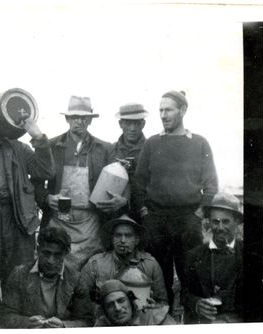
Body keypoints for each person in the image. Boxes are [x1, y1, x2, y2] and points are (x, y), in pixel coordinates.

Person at [0, 103, 55, 328]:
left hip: (19, 223)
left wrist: (38, 136)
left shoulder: (17, 149)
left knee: (22, 284)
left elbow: (46, 171)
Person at [134, 90, 218, 308]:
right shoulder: (152, 144)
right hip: (157, 222)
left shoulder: (199, 143)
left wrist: (198, 215)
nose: (163, 114)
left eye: (168, 109)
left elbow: (211, 184)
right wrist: (145, 215)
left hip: (188, 222)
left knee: (193, 281)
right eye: (160, 110)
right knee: (157, 282)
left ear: (183, 110)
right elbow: (139, 184)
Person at [36, 96, 125, 269]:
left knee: (87, 272)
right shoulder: (52, 146)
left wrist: (122, 200)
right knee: (55, 268)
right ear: (67, 119)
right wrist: (47, 198)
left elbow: (120, 180)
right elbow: (36, 183)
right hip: (59, 220)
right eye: (75, 117)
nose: (79, 121)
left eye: (84, 118)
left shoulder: (105, 148)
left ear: (90, 120)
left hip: (90, 223)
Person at [0, 226, 92, 328]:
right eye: (46, 253)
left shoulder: (76, 279)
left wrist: (64, 326)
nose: (50, 261)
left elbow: (86, 321)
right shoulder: (19, 275)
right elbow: (5, 316)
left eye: (57, 255)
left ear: (66, 253)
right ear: (38, 250)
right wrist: (26, 323)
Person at [79, 214, 168, 313]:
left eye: (128, 236)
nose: (122, 240)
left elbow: (162, 302)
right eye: (118, 235)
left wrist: (154, 307)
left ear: (137, 240)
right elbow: (81, 300)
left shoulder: (150, 264)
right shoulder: (95, 264)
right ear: (112, 239)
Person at [183, 192, 244, 324]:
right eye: (215, 222)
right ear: (209, 222)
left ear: (237, 221)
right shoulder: (194, 255)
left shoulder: (250, 255)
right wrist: (197, 304)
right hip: (206, 321)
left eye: (226, 221)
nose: (220, 227)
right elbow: (185, 294)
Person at [109, 103, 149, 219]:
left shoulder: (152, 149)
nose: (132, 128)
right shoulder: (111, 150)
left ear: (143, 124)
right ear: (120, 124)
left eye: (137, 123)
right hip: (115, 213)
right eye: (128, 122)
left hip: (144, 213)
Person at [94, 279, 175, 326]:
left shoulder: (156, 318)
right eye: (110, 305)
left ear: (130, 300)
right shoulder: (101, 325)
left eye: (121, 301)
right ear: (105, 310)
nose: (117, 308)